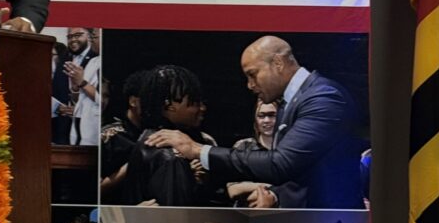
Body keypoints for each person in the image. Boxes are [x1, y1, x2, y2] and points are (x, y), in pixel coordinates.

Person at [146, 36, 364, 209]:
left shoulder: (323, 98)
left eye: (253, 75)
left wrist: (198, 150)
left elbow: (281, 164)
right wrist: (275, 195)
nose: (250, 86)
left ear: (278, 63)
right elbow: (304, 171)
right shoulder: (292, 101)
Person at [120, 65, 216, 207]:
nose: (202, 108)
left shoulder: (146, 138)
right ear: (169, 105)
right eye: (194, 103)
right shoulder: (170, 156)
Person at [100, 69, 146, 203]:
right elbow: (95, 191)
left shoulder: (162, 134)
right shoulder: (109, 136)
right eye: (151, 99)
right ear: (133, 101)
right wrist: (134, 164)